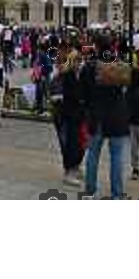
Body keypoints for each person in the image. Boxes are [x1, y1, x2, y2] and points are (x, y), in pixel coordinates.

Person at [82, 39, 131, 199]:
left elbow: (83, 92)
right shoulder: (120, 66)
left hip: (96, 116)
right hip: (117, 116)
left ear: (96, 48)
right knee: (116, 156)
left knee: (93, 154)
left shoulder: (89, 67)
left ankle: (90, 191)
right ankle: (117, 193)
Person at [59, 50, 84, 187]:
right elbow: (72, 94)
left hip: (78, 114)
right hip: (70, 114)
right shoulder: (68, 75)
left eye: (79, 61)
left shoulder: (77, 75)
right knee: (71, 142)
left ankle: (75, 167)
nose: (78, 64)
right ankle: (69, 171)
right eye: (76, 61)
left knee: (79, 142)